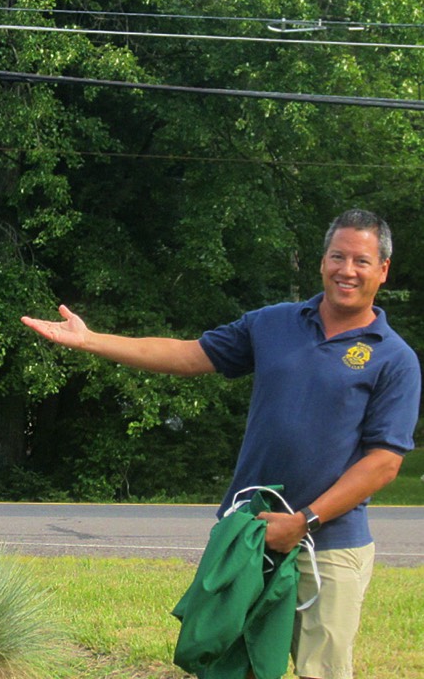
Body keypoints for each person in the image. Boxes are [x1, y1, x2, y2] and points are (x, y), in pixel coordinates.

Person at [21, 208, 421, 679]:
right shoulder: (273, 324)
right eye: (338, 256)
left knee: (324, 672)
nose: (347, 270)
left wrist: (303, 520)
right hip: (247, 536)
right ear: (322, 261)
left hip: (328, 545)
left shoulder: (394, 358)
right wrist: (92, 341)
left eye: (361, 260)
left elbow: (383, 463)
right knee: (229, 665)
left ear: (383, 270)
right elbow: (189, 355)